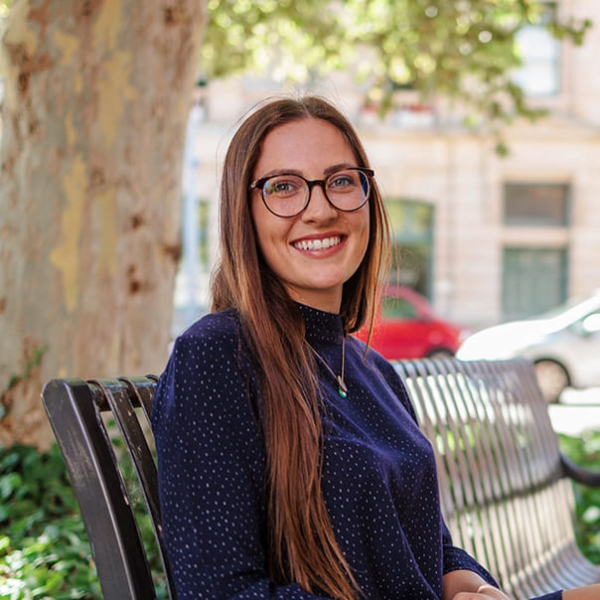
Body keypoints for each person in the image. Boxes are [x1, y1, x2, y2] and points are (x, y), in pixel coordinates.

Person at [151, 96, 600, 600]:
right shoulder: (217, 357)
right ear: (244, 213)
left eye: (341, 180)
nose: (319, 209)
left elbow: (431, 548)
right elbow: (218, 590)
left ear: (368, 197)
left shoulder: (371, 370)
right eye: (283, 187)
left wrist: (473, 586)